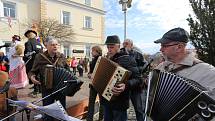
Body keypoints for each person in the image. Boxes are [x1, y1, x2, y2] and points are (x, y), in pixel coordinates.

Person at [154, 27, 215, 120]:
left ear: (179, 47)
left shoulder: (208, 72)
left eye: (164, 45)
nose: (161, 49)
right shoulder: (161, 67)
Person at [101, 35, 142, 121]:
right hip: (106, 101)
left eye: (112, 47)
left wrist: (125, 85)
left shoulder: (128, 59)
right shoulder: (107, 59)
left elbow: (138, 79)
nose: (109, 49)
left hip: (119, 102)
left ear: (119, 46)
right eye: (108, 47)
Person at [28, 36, 69, 121]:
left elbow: (68, 70)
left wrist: (69, 80)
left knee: (62, 112)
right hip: (47, 89)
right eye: (52, 45)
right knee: (48, 113)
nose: (55, 46)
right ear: (46, 46)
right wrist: (32, 77)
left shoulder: (61, 56)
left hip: (60, 89)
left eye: (56, 45)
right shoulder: (40, 57)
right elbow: (32, 71)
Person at [122, 38, 146, 121]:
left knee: (138, 109)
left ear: (131, 45)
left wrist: (135, 69)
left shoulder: (138, 55)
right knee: (122, 108)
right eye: (123, 43)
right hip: (124, 86)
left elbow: (144, 67)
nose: (124, 45)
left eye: (126, 43)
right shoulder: (121, 54)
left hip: (135, 85)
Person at [23, 30, 43, 97]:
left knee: (33, 76)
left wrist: (24, 58)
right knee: (39, 76)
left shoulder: (28, 43)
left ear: (28, 36)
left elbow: (28, 54)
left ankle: (36, 91)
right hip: (40, 62)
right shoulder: (39, 43)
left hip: (32, 62)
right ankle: (40, 90)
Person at [87, 45, 104, 121]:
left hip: (100, 85)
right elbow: (90, 72)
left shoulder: (103, 60)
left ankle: (100, 118)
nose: (91, 52)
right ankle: (91, 118)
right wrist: (89, 74)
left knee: (101, 103)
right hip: (93, 84)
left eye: (93, 51)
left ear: (97, 51)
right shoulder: (92, 61)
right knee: (92, 103)